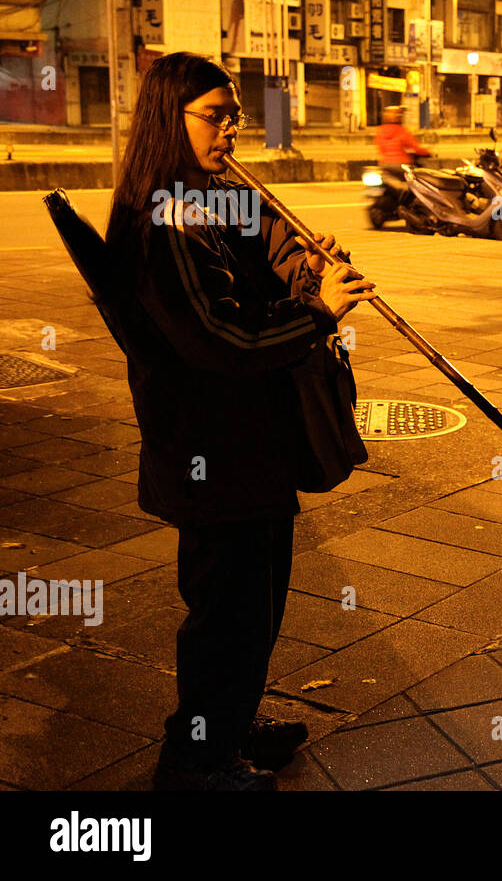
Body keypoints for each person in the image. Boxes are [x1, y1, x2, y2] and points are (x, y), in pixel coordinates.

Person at [103, 52, 377, 790]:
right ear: (171, 116)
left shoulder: (213, 194)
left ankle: (225, 719)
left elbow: (273, 241)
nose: (231, 130)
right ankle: (198, 761)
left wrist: (310, 267)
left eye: (235, 116)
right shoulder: (166, 218)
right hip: (211, 450)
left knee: (249, 607)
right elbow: (221, 342)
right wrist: (318, 309)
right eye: (215, 116)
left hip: (248, 443)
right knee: (228, 614)